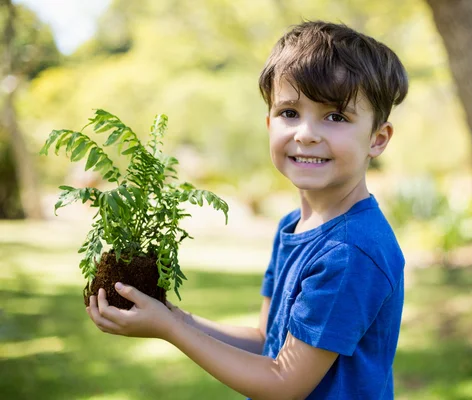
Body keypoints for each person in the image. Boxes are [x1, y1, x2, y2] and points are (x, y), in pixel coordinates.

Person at [87, 20, 409, 399]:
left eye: (336, 116)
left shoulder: (350, 252)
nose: (305, 133)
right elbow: (265, 342)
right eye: (290, 112)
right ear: (269, 122)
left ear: (377, 138)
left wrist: (169, 331)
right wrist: (174, 317)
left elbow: (283, 382)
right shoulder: (295, 225)